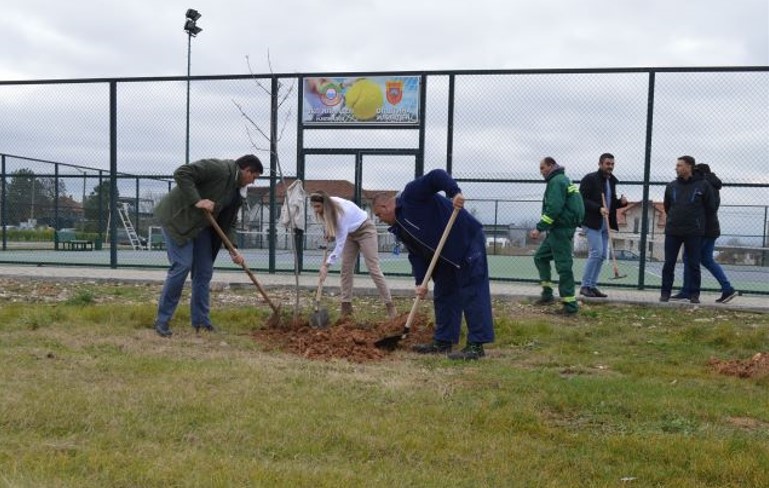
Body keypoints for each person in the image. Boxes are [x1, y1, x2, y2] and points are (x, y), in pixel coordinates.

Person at [372, 170, 494, 360]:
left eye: (379, 215)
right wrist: (421, 282)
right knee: (444, 293)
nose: (380, 219)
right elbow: (416, 256)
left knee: (472, 291)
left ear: (385, 205)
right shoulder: (400, 228)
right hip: (444, 255)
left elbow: (437, 176)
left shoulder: (412, 194)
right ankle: (443, 341)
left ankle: (476, 345)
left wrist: (455, 193)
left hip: (465, 240)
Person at [152, 155, 264, 337]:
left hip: (201, 226)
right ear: (246, 170)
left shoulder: (237, 193)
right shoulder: (219, 168)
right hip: (179, 219)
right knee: (182, 265)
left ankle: (201, 321)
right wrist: (197, 200)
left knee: (204, 271)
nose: (253, 182)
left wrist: (232, 249)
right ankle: (162, 320)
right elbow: (182, 173)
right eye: (255, 177)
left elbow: (230, 223)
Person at [310, 191, 397, 320]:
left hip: (365, 229)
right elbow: (336, 230)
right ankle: (346, 308)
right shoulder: (328, 206)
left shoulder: (340, 213)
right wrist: (330, 233)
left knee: (373, 268)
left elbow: (339, 244)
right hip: (350, 234)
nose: (316, 210)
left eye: (318, 207)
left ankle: (390, 305)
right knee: (345, 269)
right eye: (314, 207)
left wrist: (326, 265)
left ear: (325, 204)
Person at [671, 163, 738, 303]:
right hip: (711, 229)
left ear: (698, 172)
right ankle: (726, 288)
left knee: (690, 257)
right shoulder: (712, 184)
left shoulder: (704, 185)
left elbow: (704, 209)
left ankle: (688, 291)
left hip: (703, 229)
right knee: (705, 259)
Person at [529, 157, 585, 315]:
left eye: (543, 167)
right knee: (540, 257)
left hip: (560, 229)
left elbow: (553, 208)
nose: (541, 171)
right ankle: (547, 294)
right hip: (558, 229)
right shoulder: (563, 179)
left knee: (563, 266)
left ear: (551, 165)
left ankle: (570, 305)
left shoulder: (556, 182)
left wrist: (539, 228)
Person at [660, 155, 716, 304]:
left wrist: (698, 222)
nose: (676, 168)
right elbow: (667, 206)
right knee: (669, 263)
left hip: (694, 232)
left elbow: (710, 207)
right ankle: (665, 293)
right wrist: (674, 219)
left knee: (693, 264)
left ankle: (694, 294)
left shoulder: (703, 185)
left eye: (679, 165)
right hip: (673, 231)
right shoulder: (671, 186)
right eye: (676, 165)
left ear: (689, 167)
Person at [578, 153, 628, 298]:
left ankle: (592, 286)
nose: (610, 167)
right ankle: (585, 286)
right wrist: (598, 208)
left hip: (606, 224)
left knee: (602, 256)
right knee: (596, 253)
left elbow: (610, 203)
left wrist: (621, 202)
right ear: (600, 164)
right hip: (592, 222)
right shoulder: (590, 179)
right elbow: (582, 199)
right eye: (607, 164)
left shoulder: (611, 181)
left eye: (612, 164)